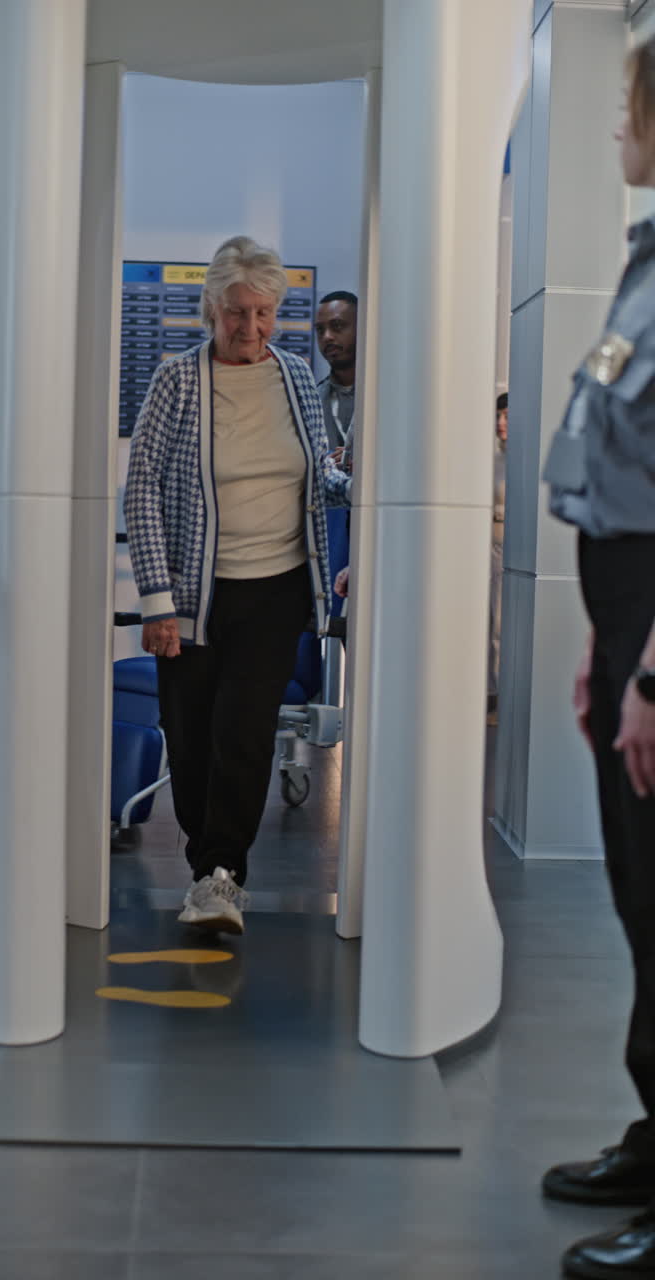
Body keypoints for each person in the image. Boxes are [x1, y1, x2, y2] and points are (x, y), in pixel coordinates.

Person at [124, 236, 350, 937]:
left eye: (264, 313)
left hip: (275, 589)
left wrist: (365, 481)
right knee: (191, 740)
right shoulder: (177, 380)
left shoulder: (293, 378)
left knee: (244, 735)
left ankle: (222, 876)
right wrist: (158, 602)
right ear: (210, 309)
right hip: (195, 596)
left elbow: (320, 477)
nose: (250, 328)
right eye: (236, 313)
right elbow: (143, 491)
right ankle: (204, 865)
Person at [540, 36, 655, 1279]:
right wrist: (608, 649)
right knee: (642, 898)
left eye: (627, 103)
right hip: (631, 612)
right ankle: (654, 1130)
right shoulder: (644, 264)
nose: (614, 127)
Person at [314, 291, 358, 457]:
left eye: (337, 326)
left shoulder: (388, 399)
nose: (327, 337)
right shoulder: (313, 400)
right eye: (320, 329)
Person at [488, 392, 508, 714]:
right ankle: (494, 696)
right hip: (491, 553)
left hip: (514, 554)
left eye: (507, 415)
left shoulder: (528, 461)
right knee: (493, 627)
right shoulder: (491, 461)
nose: (501, 422)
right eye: (498, 415)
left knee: (505, 626)